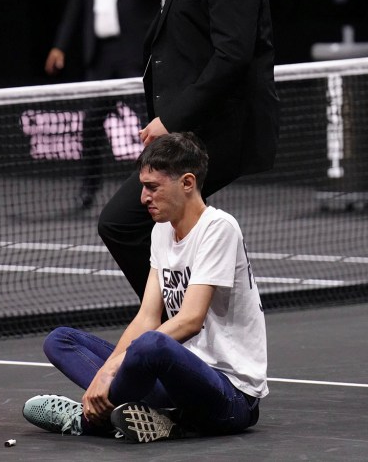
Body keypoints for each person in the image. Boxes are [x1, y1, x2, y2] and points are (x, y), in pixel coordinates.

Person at [97, 0, 279, 299]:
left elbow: (231, 57)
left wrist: (170, 119)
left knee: (122, 222)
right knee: (174, 228)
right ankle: (188, 327)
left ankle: (178, 326)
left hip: (215, 131)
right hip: (193, 129)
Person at [22, 132, 267, 443]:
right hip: (176, 384)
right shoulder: (161, 231)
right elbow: (147, 318)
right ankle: (156, 416)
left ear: (187, 183)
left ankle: (87, 421)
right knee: (61, 340)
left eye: (153, 187)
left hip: (230, 399)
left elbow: (190, 320)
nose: (143, 198)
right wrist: (106, 371)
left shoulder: (219, 228)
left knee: (151, 345)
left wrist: (111, 372)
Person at [45, 0, 174, 209]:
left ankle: (160, 187)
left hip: (136, 54)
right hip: (101, 54)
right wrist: (60, 44)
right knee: (90, 123)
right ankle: (89, 189)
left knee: (150, 125)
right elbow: (78, 2)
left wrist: (164, 44)